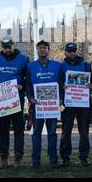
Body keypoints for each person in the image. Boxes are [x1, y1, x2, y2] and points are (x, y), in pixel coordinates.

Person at [0, 38, 29, 169]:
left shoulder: (24, 59)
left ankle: (18, 158)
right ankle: (4, 158)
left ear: (14, 46)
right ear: (2, 47)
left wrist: (22, 86)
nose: (7, 49)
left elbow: (27, 78)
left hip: (17, 100)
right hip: (2, 101)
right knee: (3, 131)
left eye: (9, 47)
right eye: (5, 47)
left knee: (19, 130)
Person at [26, 40, 64, 168]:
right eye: (40, 48)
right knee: (36, 134)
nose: (42, 49)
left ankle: (53, 159)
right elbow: (28, 85)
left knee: (52, 133)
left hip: (51, 106)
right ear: (37, 50)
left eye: (44, 47)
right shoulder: (30, 66)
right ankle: (35, 161)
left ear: (48, 50)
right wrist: (30, 98)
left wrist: (60, 99)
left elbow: (60, 83)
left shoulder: (57, 66)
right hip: (37, 106)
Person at [59, 42, 92, 167]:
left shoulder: (85, 65)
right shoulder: (62, 66)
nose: (72, 53)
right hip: (68, 103)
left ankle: (84, 156)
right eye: (69, 51)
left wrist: (91, 86)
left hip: (82, 103)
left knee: (84, 131)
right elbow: (59, 81)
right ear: (66, 52)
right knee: (66, 131)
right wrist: (62, 86)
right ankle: (65, 156)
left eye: (74, 51)